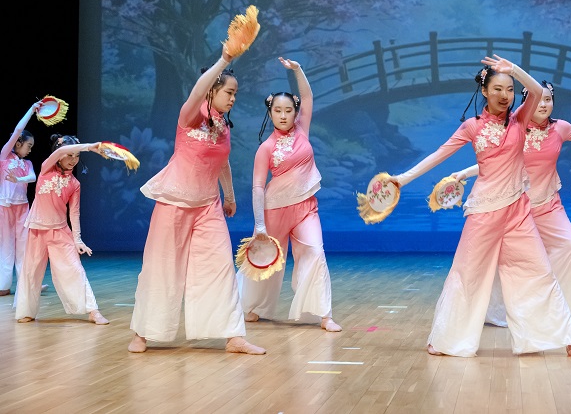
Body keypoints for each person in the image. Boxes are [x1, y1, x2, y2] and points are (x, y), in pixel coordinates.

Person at [389, 54, 571, 359]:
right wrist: (402, 179)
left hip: (518, 212)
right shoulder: (472, 127)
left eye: (510, 90)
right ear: (485, 91)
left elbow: (537, 91)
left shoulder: (521, 119)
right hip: (484, 212)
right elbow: (439, 154)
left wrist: (513, 69)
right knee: (467, 274)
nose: (505, 95)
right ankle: (445, 340)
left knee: (540, 272)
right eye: (498, 89)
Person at [453, 80, 571, 332]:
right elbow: (493, 162)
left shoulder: (560, 128)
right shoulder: (514, 128)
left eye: (548, 99)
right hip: (517, 207)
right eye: (538, 100)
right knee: (502, 262)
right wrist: (464, 172)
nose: (543, 104)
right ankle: (489, 311)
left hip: (549, 206)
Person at [128, 46, 265, 355]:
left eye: (235, 93)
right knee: (161, 267)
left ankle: (232, 336)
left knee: (219, 267)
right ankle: (143, 333)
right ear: (212, 90)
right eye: (228, 92)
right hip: (175, 201)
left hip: (208, 206)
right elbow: (196, 92)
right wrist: (225, 60)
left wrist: (229, 196)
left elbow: (222, 162)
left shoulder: (223, 125)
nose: (233, 98)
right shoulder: (190, 116)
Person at [238, 57, 342, 332]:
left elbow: (307, 97)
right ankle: (251, 306)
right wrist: (260, 225)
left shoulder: (302, 131)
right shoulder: (265, 148)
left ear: (295, 113)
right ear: (270, 113)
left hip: (306, 208)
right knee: (265, 257)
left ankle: (324, 314)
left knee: (315, 252)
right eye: (277, 111)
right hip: (274, 209)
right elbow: (258, 187)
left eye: (288, 110)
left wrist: (297, 70)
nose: (283, 116)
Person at [14, 134, 109, 325]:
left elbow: (74, 213)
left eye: (77, 156)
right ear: (59, 155)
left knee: (75, 269)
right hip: (37, 230)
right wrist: (89, 146)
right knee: (31, 272)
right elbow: (61, 150)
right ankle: (27, 311)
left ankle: (93, 311)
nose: (73, 160)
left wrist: (78, 240)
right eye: (70, 155)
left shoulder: (75, 184)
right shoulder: (45, 169)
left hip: (60, 231)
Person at [1, 101, 46, 297]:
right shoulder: (4, 156)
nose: (30, 150)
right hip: (4, 207)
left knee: (24, 247)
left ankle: (26, 283)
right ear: (18, 143)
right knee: (6, 245)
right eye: (28, 145)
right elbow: (18, 129)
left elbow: (33, 178)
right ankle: (3, 284)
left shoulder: (27, 163)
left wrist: (18, 179)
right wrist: (32, 110)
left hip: (22, 209)